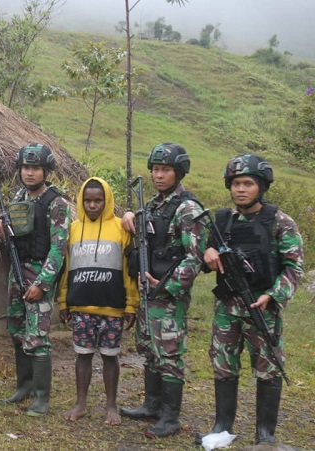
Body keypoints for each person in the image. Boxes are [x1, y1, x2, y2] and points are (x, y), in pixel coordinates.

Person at [197, 155, 303, 445]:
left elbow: (294, 267)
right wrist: (207, 254)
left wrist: (273, 295)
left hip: (263, 308)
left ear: (261, 187)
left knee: (268, 368)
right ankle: (222, 427)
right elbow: (206, 256)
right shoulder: (223, 221)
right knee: (223, 365)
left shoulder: (280, 222)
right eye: (235, 184)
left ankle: (265, 433)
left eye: (248, 184)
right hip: (226, 307)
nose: (240, 189)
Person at [120, 142, 206, 438]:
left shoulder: (187, 209)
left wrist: (167, 285)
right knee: (149, 350)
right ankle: (151, 405)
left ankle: (170, 417)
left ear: (178, 172)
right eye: (156, 169)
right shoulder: (155, 205)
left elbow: (194, 257)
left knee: (169, 354)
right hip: (147, 291)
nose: (159, 175)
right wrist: (131, 215)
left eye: (166, 170)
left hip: (168, 294)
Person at [0, 143, 72, 417]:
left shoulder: (56, 203)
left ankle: (41, 398)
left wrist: (42, 283)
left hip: (40, 272)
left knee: (37, 335)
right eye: (26, 167)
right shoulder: (18, 196)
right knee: (16, 330)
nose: (29, 173)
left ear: (45, 171)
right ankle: (23, 388)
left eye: (35, 168)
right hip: (18, 271)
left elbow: (59, 247)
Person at [57, 178, 138, 425]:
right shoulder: (73, 229)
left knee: (110, 356)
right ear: (81, 201)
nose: (92, 205)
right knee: (82, 356)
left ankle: (111, 405)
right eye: (87, 200)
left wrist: (131, 304)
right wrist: (63, 300)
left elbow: (129, 270)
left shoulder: (121, 228)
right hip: (81, 305)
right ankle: (80, 403)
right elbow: (66, 267)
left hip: (112, 307)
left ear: (107, 201)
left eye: (98, 200)